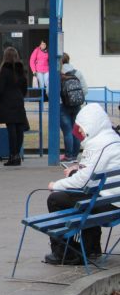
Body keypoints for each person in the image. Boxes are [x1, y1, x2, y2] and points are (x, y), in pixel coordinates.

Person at [44, 104, 120, 265]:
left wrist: (56, 184)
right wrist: (78, 168)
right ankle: (91, 248)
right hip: (113, 199)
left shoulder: (98, 144)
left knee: (56, 199)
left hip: (110, 205)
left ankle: (64, 252)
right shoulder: (112, 138)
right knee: (87, 198)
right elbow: (94, 171)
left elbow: (83, 181)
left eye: (81, 129)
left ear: (90, 126)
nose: (80, 133)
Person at [0, 46, 29, 166]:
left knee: (11, 130)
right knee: (19, 129)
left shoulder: (4, 69)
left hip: (7, 102)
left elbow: (0, 88)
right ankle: (17, 155)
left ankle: (12, 156)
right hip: (18, 101)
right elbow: (24, 87)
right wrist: (20, 96)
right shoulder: (21, 69)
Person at [60, 53, 88, 161]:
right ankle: (75, 156)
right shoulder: (77, 73)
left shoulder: (58, 74)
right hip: (77, 106)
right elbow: (85, 90)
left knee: (67, 131)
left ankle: (68, 155)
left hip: (63, 105)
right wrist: (76, 98)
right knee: (76, 130)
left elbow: (50, 91)